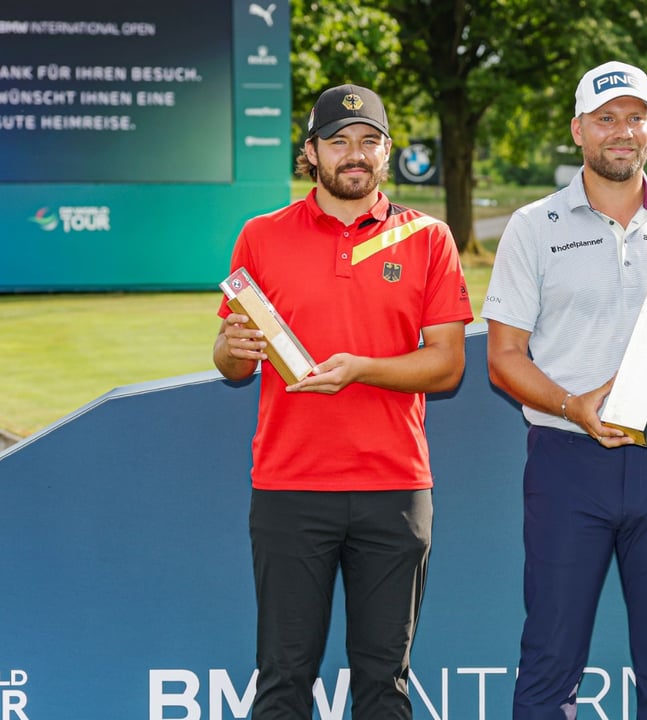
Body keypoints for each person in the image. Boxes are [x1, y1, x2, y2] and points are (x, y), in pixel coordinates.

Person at [481, 61, 647, 719]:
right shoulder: (534, 226)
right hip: (568, 460)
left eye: (636, 117)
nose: (622, 132)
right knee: (550, 663)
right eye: (606, 119)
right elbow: (503, 357)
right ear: (578, 130)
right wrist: (574, 406)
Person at [213, 83, 473, 719]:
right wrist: (233, 344)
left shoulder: (428, 238)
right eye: (339, 142)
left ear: (387, 152)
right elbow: (231, 364)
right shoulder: (261, 235)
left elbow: (446, 364)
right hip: (290, 485)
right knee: (282, 680)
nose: (354, 154)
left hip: (395, 486)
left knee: (384, 684)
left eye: (369, 142)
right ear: (311, 153)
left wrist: (361, 370)